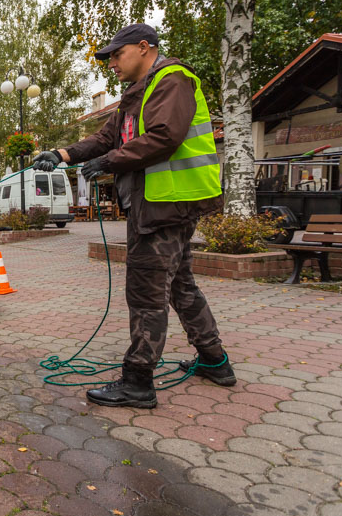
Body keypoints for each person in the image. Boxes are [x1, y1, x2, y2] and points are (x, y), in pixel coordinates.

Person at [33, 23, 232, 409]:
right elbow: (105, 137)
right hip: (159, 203)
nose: (111, 63)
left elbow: (163, 137)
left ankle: (138, 382)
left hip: (165, 205)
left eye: (116, 55)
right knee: (180, 286)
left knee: (145, 292)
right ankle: (215, 361)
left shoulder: (173, 81)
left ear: (144, 48)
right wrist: (62, 155)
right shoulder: (135, 95)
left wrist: (107, 163)